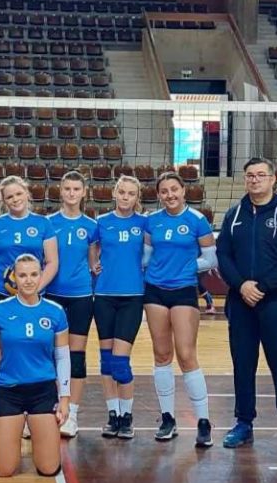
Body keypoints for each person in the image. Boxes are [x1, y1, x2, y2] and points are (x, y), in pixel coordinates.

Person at [216, 158, 277, 453]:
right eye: (250, 175)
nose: (254, 180)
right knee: (243, 365)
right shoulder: (234, 214)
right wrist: (241, 285)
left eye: (260, 175)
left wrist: (262, 287)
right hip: (240, 302)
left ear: (272, 179)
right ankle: (243, 423)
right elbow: (223, 255)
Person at [143, 171, 217, 445]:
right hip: (155, 290)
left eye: (174, 189)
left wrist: (185, 266)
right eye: (164, 191)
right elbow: (146, 258)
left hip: (184, 289)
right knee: (162, 354)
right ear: (159, 195)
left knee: (186, 355)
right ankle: (167, 419)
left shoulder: (197, 220)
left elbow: (210, 259)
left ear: (184, 191)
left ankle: (203, 421)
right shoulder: (152, 220)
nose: (170, 195)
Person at [0, 254, 70, 477]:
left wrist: (65, 399)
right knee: (4, 470)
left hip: (43, 390)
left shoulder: (55, 311)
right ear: (14, 278)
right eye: (22, 275)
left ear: (41, 276)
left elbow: (62, 357)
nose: (28, 280)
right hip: (8, 390)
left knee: (49, 468)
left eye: (33, 274)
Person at [94, 175, 147, 440]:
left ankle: (127, 416)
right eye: (122, 192)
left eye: (131, 193)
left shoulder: (144, 223)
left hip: (132, 297)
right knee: (106, 361)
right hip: (104, 295)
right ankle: (113, 415)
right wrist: (93, 264)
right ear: (115, 193)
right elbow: (92, 249)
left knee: (120, 362)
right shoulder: (101, 222)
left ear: (137, 197)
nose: (126, 197)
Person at [47, 171, 99, 438]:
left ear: (83, 192)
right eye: (67, 188)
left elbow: (93, 262)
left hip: (80, 296)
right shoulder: (48, 223)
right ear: (60, 190)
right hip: (51, 295)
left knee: (76, 356)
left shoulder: (91, 226)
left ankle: (72, 414)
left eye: (76, 189)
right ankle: (47, 412)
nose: (71, 193)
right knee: (48, 354)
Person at [0, 176, 58, 301]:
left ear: (27, 193)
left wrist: (34, 290)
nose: (15, 199)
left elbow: (52, 262)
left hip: (32, 291)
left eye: (19, 194)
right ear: (4, 201)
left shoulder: (43, 223)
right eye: (9, 197)